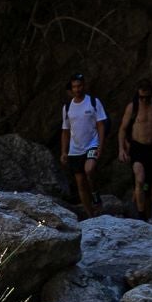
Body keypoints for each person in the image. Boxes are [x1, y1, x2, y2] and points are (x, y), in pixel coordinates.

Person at [117, 78, 152, 220]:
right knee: (140, 180)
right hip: (137, 147)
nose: (144, 100)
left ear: (151, 94)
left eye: (147, 97)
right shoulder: (133, 107)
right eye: (141, 97)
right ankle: (141, 214)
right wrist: (121, 149)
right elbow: (122, 129)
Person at [58, 73, 107, 218]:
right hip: (75, 149)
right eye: (74, 87)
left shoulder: (93, 102)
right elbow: (65, 131)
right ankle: (90, 214)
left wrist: (100, 146)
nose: (77, 89)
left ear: (83, 86)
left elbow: (101, 125)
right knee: (80, 183)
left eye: (79, 86)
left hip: (92, 144)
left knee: (89, 170)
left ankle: (95, 194)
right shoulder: (67, 107)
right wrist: (63, 151)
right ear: (71, 89)